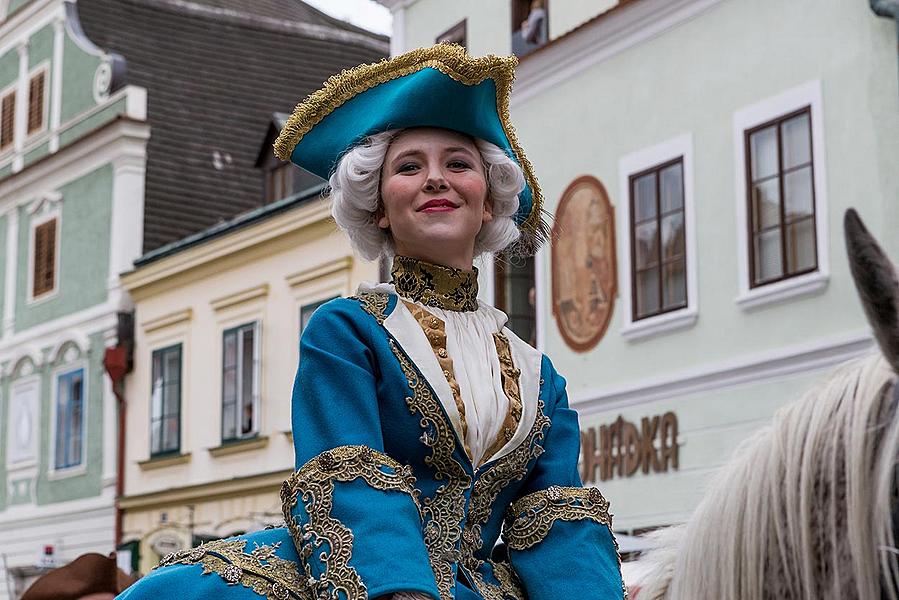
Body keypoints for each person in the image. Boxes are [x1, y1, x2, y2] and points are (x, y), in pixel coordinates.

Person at [117, 44, 624, 600]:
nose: (436, 179)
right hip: (367, 578)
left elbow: (555, 520)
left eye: (458, 164)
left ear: (488, 203)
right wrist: (399, 591)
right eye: (409, 167)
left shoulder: (539, 377)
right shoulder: (348, 331)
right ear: (379, 205)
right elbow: (349, 476)